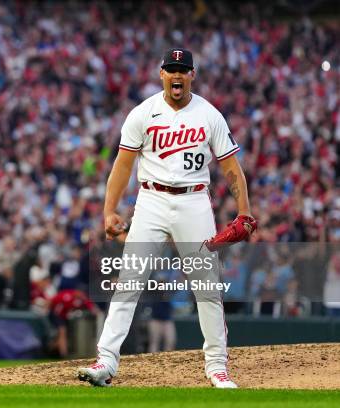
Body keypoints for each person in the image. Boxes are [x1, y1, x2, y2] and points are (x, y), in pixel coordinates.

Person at [77, 48, 255, 388]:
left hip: (194, 202)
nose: (177, 75)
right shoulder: (143, 113)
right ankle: (106, 361)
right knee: (129, 280)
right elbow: (123, 165)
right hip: (151, 200)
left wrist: (244, 210)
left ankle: (217, 366)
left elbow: (231, 168)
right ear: (161, 74)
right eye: (171, 69)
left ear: (192, 75)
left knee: (206, 287)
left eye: (183, 69)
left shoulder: (209, 115)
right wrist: (109, 210)